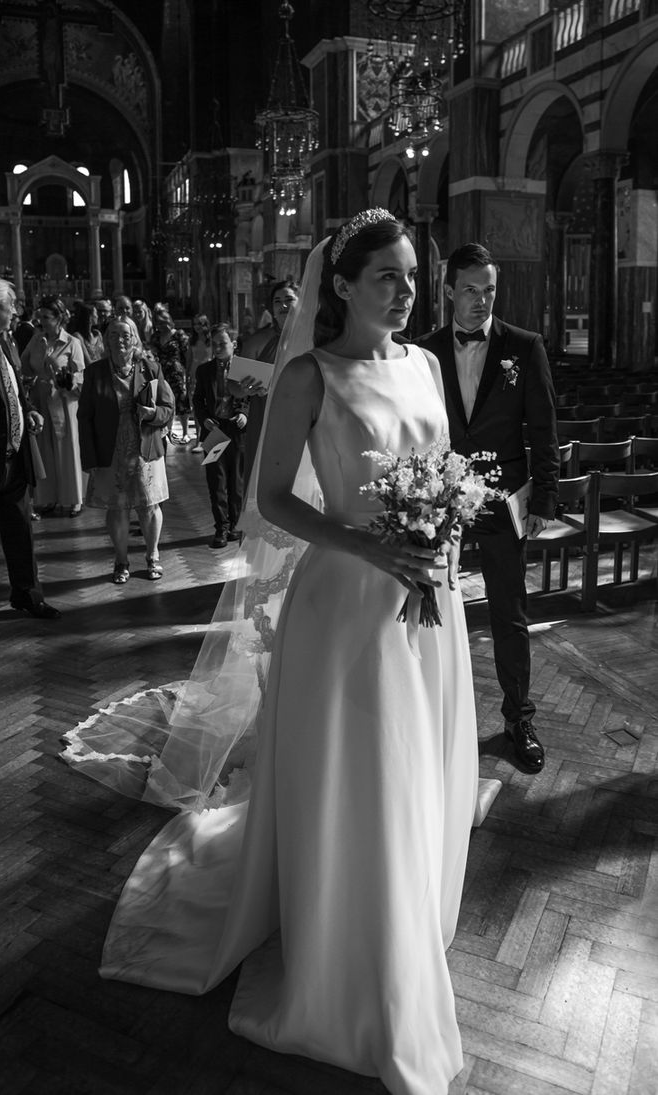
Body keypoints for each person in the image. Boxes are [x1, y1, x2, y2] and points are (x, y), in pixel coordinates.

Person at [63, 211, 500, 1095]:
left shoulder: (420, 364)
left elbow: (443, 467)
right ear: (340, 286)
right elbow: (270, 500)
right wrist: (369, 544)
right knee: (365, 769)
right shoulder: (310, 374)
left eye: (412, 275)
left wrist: (446, 530)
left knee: (417, 762)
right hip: (344, 603)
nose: (407, 290)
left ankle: (408, 907)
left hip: (428, 595)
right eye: (388, 276)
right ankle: (357, 949)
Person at [418, 242, 559, 773]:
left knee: (509, 612)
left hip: (504, 497)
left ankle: (518, 717)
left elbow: (543, 427)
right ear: (449, 290)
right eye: (471, 290)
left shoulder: (523, 347)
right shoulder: (423, 350)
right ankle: (429, 717)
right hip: (440, 501)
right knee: (430, 604)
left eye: (490, 290)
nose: (481, 301)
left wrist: (544, 497)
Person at [0, 276, 60, 642]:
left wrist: (28, 412)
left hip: (14, 452)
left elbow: (11, 386)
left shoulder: (4, 341)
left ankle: (26, 594)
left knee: (20, 526)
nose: (15, 313)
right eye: (11, 306)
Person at [78, 318, 174, 583]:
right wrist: (88, 456)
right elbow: (84, 417)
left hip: (145, 447)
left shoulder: (151, 369)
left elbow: (168, 408)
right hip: (110, 450)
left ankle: (153, 556)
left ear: (135, 339)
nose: (119, 339)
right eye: (113, 334)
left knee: (149, 506)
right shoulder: (94, 372)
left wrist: (153, 413)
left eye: (125, 334)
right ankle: (121, 561)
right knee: (117, 508)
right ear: (106, 340)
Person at [21, 294, 85, 517]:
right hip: (40, 401)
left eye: (47, 317)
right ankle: (47, 498)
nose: (42, 322)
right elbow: (25, 365)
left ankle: (73, 499)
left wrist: (67, 379)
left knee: (66, 450)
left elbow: (81, 375)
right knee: (45, 450)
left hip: (64, 402)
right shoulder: (36, 339)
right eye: (40, 317)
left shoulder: (71, 343)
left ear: (59, 318)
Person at [238, 279, 299, 489]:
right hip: (265, 417)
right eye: (277, 301)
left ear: (302, 301)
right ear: (271, 308)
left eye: (289, 299)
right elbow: (233, 387)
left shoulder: (316, 338)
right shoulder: (258, 340)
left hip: (303, 418)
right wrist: (245, 387)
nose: (283, 306)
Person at [192, 323, 249, 547]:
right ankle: (221, 528)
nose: (217, 348)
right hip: (214, 430)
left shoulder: (244, 369)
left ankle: (236, 525)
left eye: (222, 344)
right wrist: (203, 417)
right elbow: (198, 399)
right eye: (214, 344)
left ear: (233, 344)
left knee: (237, 481)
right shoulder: (204, 370)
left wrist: (245, 413)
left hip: (236, 429)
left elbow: (254, 398)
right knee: (216, 480)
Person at [151, 302, 191, 443]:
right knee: (165, 401)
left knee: (181, 401)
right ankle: (169, 431)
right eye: (159, 323)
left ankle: (186, 432)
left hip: (177, 373)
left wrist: (187, 372)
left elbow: (187, 354)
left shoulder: (179, 335)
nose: (162, 326)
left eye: (164, 322)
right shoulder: (155, 337)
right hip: (162, 373)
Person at [186, 313, 212, 453]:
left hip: (209, 376)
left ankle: (210, 439)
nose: (198, 327)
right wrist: (186, 378)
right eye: (195, 324)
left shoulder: (211, 340)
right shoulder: (192, 340)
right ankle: (198, 440)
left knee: (210, 408)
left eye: (200, 324)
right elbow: (189, 360)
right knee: (197, 410)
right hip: (195, 377)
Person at [73, 302, 104, 367]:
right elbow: (87, 362)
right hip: (88, 374)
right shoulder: (78, 336)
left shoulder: (98, 334)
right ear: (89, 317)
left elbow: (103, 354)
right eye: (95, 313)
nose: (97, 316)